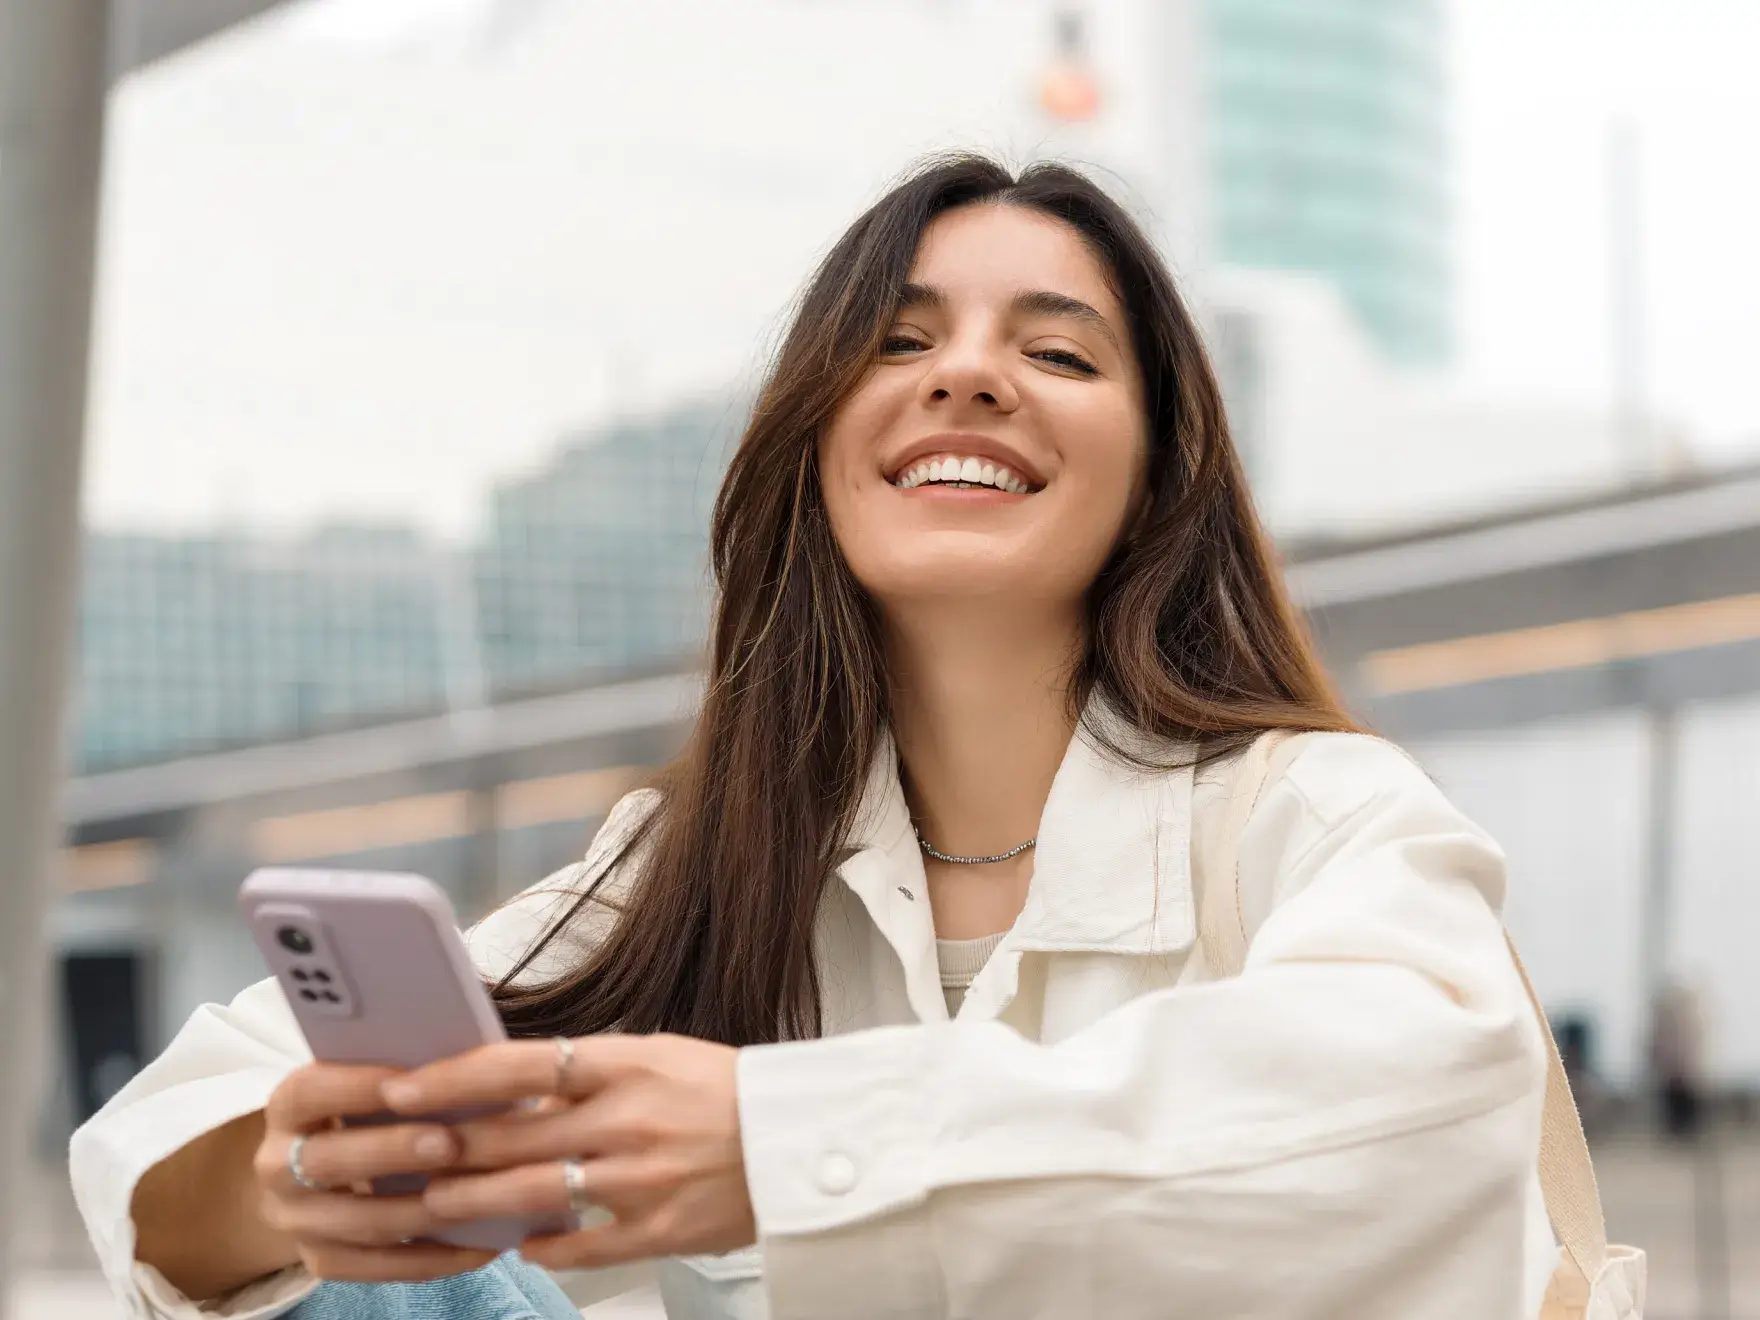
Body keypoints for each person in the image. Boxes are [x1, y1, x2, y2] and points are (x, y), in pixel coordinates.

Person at [71, 155, 1561, 1320]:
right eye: (899, 339)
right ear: (817, 438)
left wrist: (785, 1146)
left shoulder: (1319, 814)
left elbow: (1427, 1110)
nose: (966, 374)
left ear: (1162, 469)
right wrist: (296, 1191)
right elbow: (177, 1125)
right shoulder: (707, 858)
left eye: (1059, 354)